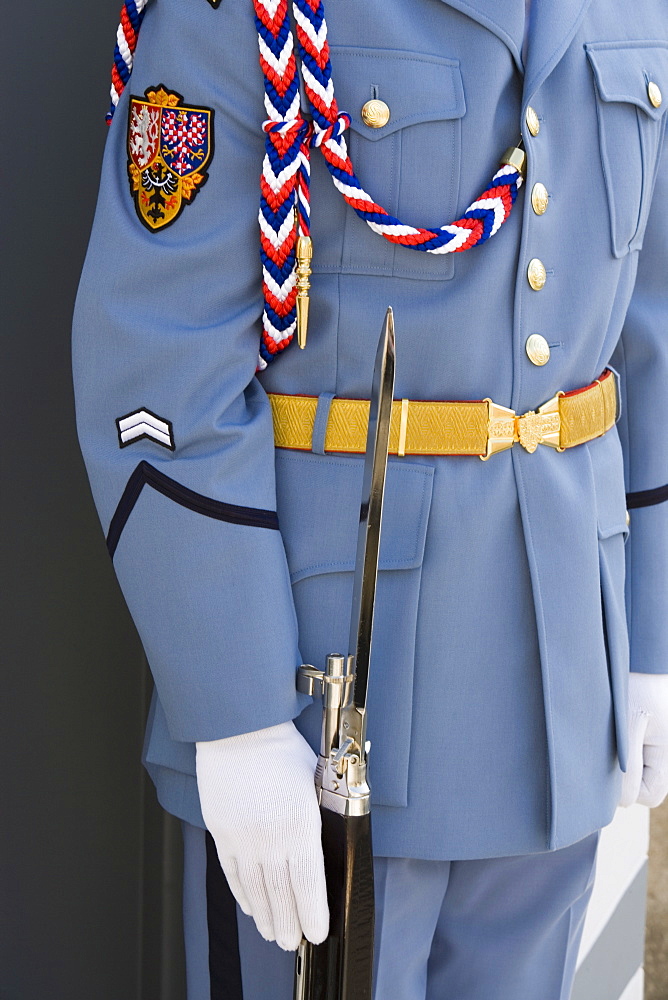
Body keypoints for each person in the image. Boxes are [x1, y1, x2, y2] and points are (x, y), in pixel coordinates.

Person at [72, 1, 668, 997]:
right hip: (326, 701)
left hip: (561, 685)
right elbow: (159, 363)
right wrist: (237, 712)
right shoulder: (257, 14)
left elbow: (645, 334)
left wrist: (651, 635)